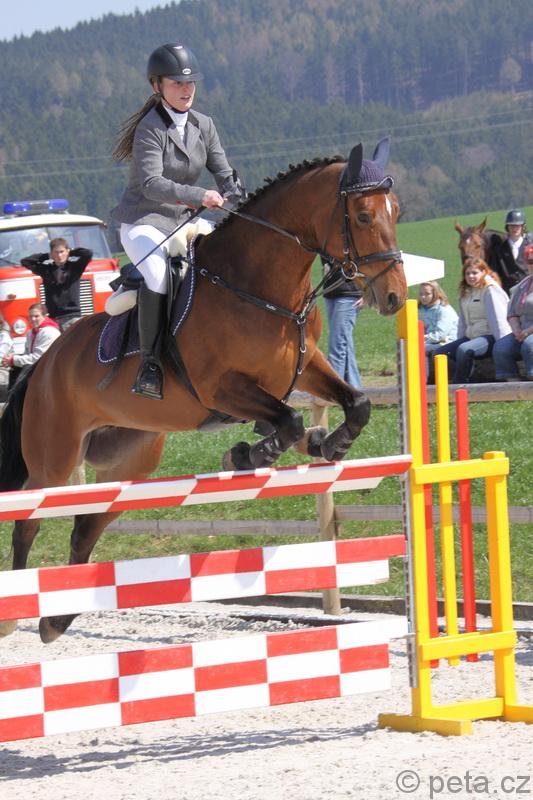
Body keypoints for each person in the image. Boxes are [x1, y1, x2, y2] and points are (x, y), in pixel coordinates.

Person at [111, 43, 242, 400]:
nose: (186, 90)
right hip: (144, 221)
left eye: (190, 83)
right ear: (157, 86)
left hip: (183, 222)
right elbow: (151, 185)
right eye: (176, 83)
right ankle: (150, 365)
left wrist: (238, 193)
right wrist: (201, 195)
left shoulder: (204, 125)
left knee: (227, 261)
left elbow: (224, 172)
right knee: (158, 275)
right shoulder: (150, 128)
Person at [432, 258, 511, 384]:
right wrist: (459, 339)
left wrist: (503, 345)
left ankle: (460, 384)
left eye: (474, 273)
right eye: (467, 273)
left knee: (464, 349)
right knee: (439, 353)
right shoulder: (465, 292)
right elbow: (462, 321)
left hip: (489, 336)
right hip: (471, 336)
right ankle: (462, 378)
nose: (471, 276)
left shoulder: (490, 290)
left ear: (484, 272)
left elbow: (498, 319)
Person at [21, 238, 92, 331]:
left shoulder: (75, 268)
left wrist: (71, 252)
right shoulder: (46, 270)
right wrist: (46, 256)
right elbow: (25, 261)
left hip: (72, 317)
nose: (59, 255)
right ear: (52, 254)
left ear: (67, 251)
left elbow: (88, 253)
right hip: (53, 318)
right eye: (56, 252)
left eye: (62, 252)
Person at [493, 243, 533, 381]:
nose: (532, 265)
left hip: (529, 332)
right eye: (530, 261)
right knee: (501, 347)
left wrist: (527, 332)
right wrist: (517, 331)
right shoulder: (523, 285)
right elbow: (512, 313)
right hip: (522, 331)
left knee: (529, 345)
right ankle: (512, 385)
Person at [322, 257, 363, 388]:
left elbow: (366, 258)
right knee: (345, 345)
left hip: (349, 294)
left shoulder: (347, 243)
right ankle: (355, 389)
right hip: (330, 292)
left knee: (337, 345)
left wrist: (367, 292)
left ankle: (335, 390)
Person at [2, 303, 60, 389]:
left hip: (49, 371)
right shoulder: (30, 332)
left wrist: (13, 360)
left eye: (36, 316)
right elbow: (27, 354)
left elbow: (38, 358)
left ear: (45, 316)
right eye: (30, 316)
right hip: (36, 370)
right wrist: (11, 360)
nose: (33, 319)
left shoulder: (49, 332)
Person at [418, 281, 459, 381]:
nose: (423, 297)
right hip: (432, 340)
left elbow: (440, 334)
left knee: (420, 348)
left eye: (427, 294)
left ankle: (424, 379)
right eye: (421, 294)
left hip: (448, 341)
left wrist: (421, 339)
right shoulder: (422, 309)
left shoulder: (443, 310)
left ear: (435, 294)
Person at [489, 209, 531, 294]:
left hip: (528, 291)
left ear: (523, 227)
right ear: (507, 227)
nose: (514, 229)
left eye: (517, 226)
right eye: (511, 226)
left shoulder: (530, 246)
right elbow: (494, 272)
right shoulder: (499, 249)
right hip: (507, 293)